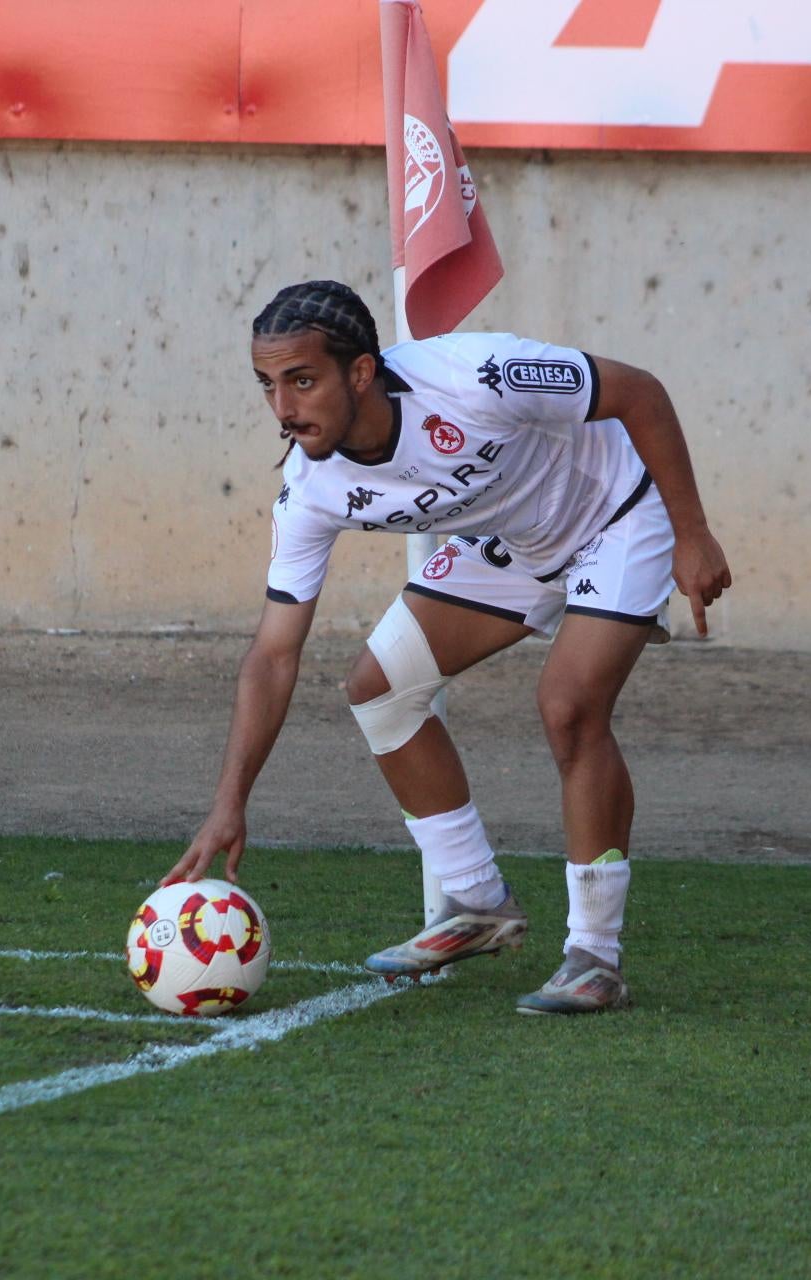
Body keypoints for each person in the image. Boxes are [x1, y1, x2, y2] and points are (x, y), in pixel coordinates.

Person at [162, 280, 731, 1015]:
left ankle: (596, 955)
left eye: (302, 381)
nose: (283, 408)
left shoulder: (477, 375)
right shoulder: (310, 487)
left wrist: (692, 532)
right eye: (268, 385)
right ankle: (476, 900)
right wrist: (228, 804)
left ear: (360, 372)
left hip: (618, 515)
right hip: (516, 541)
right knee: (379, 689)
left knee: (568, 705)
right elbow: (274, 655)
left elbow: (640, 393)